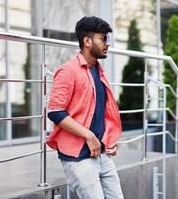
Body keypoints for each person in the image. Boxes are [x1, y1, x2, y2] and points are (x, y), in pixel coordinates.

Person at [47, 16, 124, 199]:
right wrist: (88, 135)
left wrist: (108, 139)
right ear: (87, 41)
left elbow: (100, 112)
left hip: (101, 154)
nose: (107, 44)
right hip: (78, 157)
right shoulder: (68, 71)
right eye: (103, 38)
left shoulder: (98, 71)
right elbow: (55, 111)